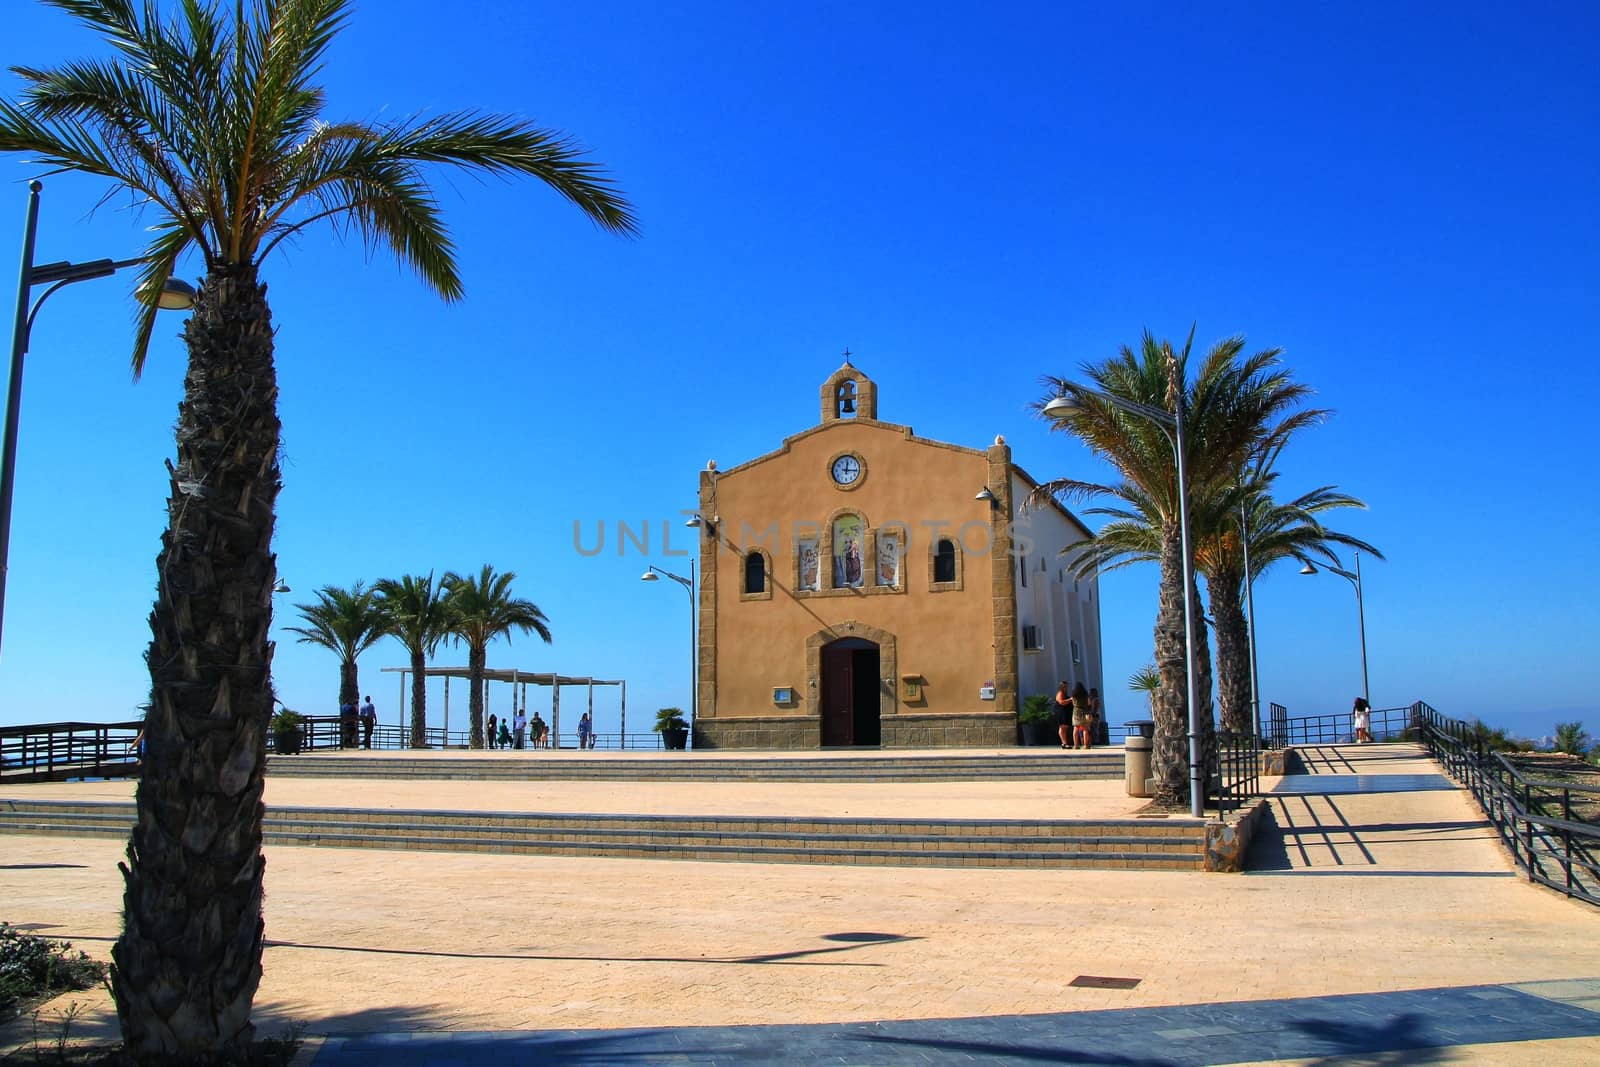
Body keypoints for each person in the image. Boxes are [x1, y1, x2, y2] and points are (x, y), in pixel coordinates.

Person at [1071, 682, 1093, 750]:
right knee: (1085, 728)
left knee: (1075, 728)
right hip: (1084, 711)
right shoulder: (1086, 695)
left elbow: (1073, 704)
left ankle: (1076, 745)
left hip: (1076, 712)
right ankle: (1086, 745)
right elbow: (1089, 703)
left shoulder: (1074, 695)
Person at [1054, 682, 1072, 749]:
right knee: (1062, 727)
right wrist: (1070, 699)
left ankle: (1064, 743)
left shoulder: (1065, 693)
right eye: (1065, 686)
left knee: (1064, 728)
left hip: (1064, 712)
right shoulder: (1060, 693)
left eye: (1067, 686)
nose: (1067, 688)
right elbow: (1061, 702)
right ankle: (1064, 743)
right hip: (1061, 712)